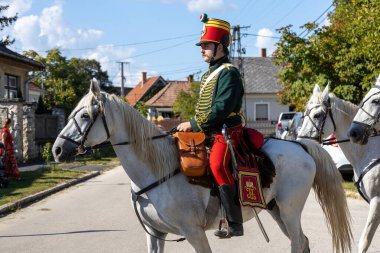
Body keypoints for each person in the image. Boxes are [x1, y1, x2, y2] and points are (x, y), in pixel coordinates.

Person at [177, 13, 244, 238]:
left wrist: (194, 123)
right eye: (202, 45)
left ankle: (235, 223)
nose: (202, 49)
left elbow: (222, 108)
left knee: (217, 165)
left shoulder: (229, 74)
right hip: (208, 131)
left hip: (227, 132)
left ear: (220, 47)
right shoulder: (210, 74)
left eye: (206, 45)